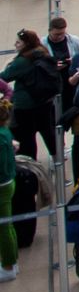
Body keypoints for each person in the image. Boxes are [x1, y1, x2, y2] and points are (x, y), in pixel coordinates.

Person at [3, 30, 61, 158]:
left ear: (26, 44)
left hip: (25, 107)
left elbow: (4, 78)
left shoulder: (22, 61)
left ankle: (31, 166)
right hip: (45, 101)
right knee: (48, 131)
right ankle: (58, 161)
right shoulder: (42, 52)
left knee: (27, 139)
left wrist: (6, 65)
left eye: (18, 42)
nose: (15, 44)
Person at [0, 99, 16, 282]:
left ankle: (8, 265)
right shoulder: (5, 133)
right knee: (8, 224)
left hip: (3, 185)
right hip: (8, 182)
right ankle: (11, 260)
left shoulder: (1, 138)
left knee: (4, 227)